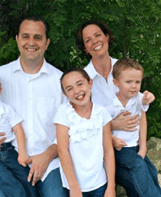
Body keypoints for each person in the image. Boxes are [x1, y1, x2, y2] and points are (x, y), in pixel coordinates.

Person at [0, 16, 64, 197]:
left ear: (47, 43)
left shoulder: (60, 81)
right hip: (6, 162)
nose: (31, 42)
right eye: (25, 36)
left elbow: (72, 126)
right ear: (17, 40)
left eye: (38, 37)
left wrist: (48, 155)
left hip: (49, 163)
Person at [76, 20, 156, 196]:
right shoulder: (83, 80)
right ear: (85, 48)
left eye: (98, 35)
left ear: (107, 37)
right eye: (88, 40)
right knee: (137, 177)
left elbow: (140, 111)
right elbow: (81, 122)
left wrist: (143, 147)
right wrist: (111, 127)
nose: (94, 41)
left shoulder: (126, 68)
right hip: (102, 150)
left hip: (132, 145)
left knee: (148, 173)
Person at [54, 68, 116, 197]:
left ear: (90, 83)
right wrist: (74, 186)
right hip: (74, 185)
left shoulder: (102, 112)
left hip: (99, 183)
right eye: (69, 88)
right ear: (65, 94)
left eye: (80, 84)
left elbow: (108, 150)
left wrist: (111, 186)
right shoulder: (64, 112)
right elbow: (62, 151)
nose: (77, 91)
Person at [107, 58, 161, 197]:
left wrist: (149, 96)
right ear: (116, 83)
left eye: (137, 82)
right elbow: (103, 127)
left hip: (135, 146)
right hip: (120, 149)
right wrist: (112, 138)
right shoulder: (111, 105)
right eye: (128, 82)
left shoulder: (137, 98)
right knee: (138, 166)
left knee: (152, 171)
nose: (134, 86)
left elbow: (146, 98)